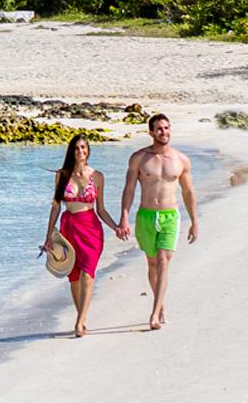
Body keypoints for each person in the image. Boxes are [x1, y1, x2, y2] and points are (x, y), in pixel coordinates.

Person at [121, 112, 201, 331]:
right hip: (146, 215)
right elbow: (129, 189)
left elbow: (188, 190)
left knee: (164, 259)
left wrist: (194, 221)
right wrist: (124, 218)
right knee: (152, 263)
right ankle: (161, 304)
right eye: (159, 129)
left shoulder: (181, 160)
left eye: (167, 128)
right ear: (151, 132)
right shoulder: (139, 158)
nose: (164, 132)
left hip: (169, 216)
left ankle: (154, 314)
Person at [40, 132, 118, 340]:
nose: (80, 151)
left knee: (87, 273)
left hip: (91, 229)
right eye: (76, 148)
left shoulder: (98, 176)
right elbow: (56, 207)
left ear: (88, 150)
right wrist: (49, 236)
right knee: (74, 277)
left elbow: (101, 210)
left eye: (83, 147)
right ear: (71, 152)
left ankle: (79, 322)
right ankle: (81, 317)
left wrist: (116, 226)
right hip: (69, 228)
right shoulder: (62, 175)